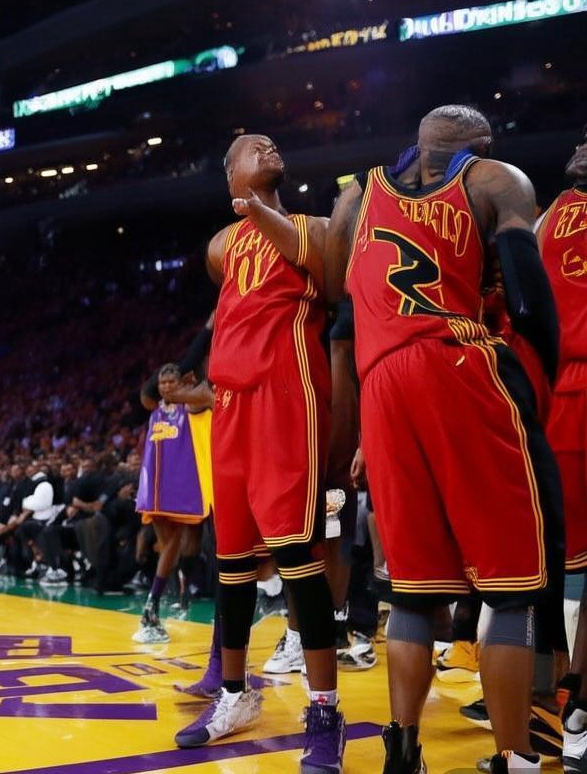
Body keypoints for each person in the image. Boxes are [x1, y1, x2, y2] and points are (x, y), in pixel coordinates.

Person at [324, 105, 563, 773]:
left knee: (412, 591)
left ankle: (402, 751)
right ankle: (514, 756)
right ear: (479, 146)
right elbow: (530, 297)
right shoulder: (493, 179)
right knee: (512, 585)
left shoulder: (356, 195)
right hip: (456, 363)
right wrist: (535, 380)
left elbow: (339, 291)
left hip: (381, 385)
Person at [173, 134, 346, 774]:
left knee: (296, 556)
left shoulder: (313, 227)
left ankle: (324, 713)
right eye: (251, 148)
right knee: (232, 560)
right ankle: (234, 695)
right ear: (230, 177)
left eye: (271, 145)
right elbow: (218, 274)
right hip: (231, 403)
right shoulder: (226, 243)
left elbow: (330, 278)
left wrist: (257, 209)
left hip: (287, 394)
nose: (268, 147)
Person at [536, 125, 587, 771]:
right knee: (553, 559)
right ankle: (563, 699)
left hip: (564, 392)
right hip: (561, 393)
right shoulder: (547, 214)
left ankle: (568, 700)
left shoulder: (546, 216)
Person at [132, 364, 213, 644]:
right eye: (162, 382)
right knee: (168, 546)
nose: (166, 386)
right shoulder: (154, 410)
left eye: (171, 382)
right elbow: (145, 394)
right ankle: (158, 603)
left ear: (181, 383)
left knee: (176, 545)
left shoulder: (189, 406)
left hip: (180, 489)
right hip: (154, 490)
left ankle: (157, 602)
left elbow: (203, 393)